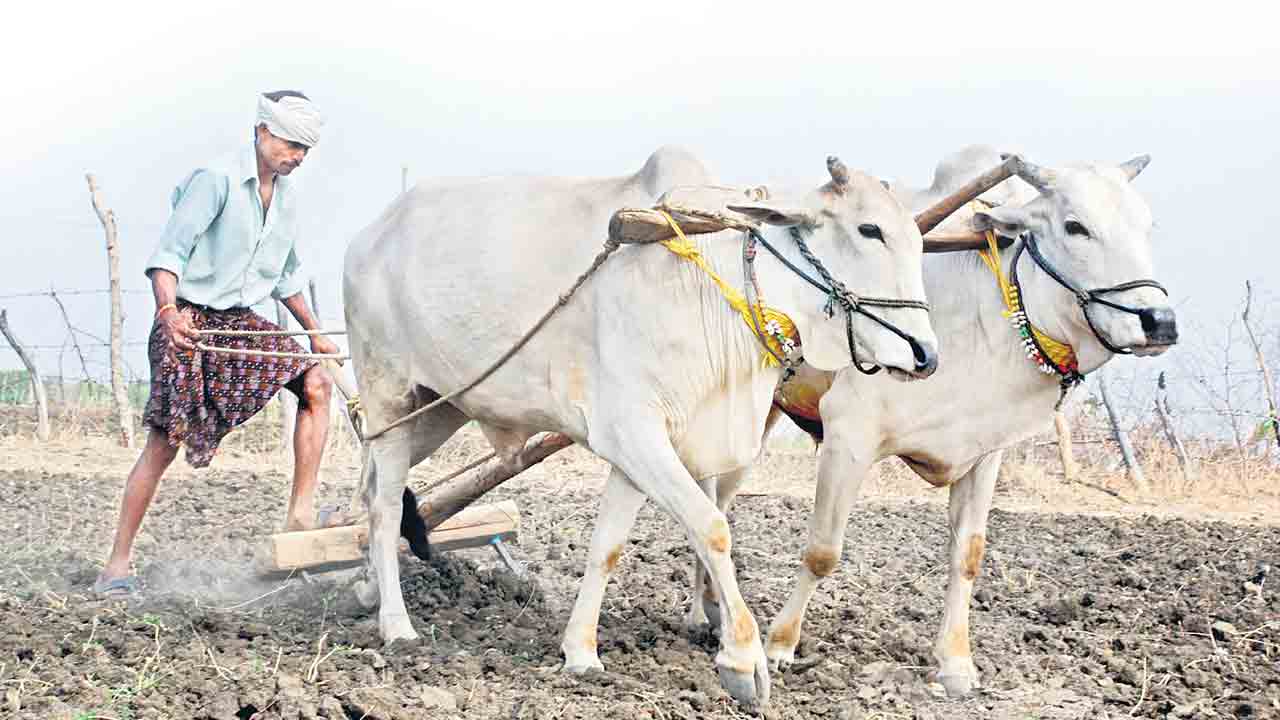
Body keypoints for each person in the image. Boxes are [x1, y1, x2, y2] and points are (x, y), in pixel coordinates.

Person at [94, 90, 340, 595]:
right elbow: (167, 258)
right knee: (163, 443)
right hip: (188, 319)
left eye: (305, 151)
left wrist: (315, 333)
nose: (296, 157)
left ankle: (300, 514)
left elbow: (286, 276)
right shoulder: (216, 180)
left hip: (240, 320)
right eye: (290, 145)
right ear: (262, 132)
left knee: (316, 381)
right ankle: (117, 565)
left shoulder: (287, 200)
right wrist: (168, 314)